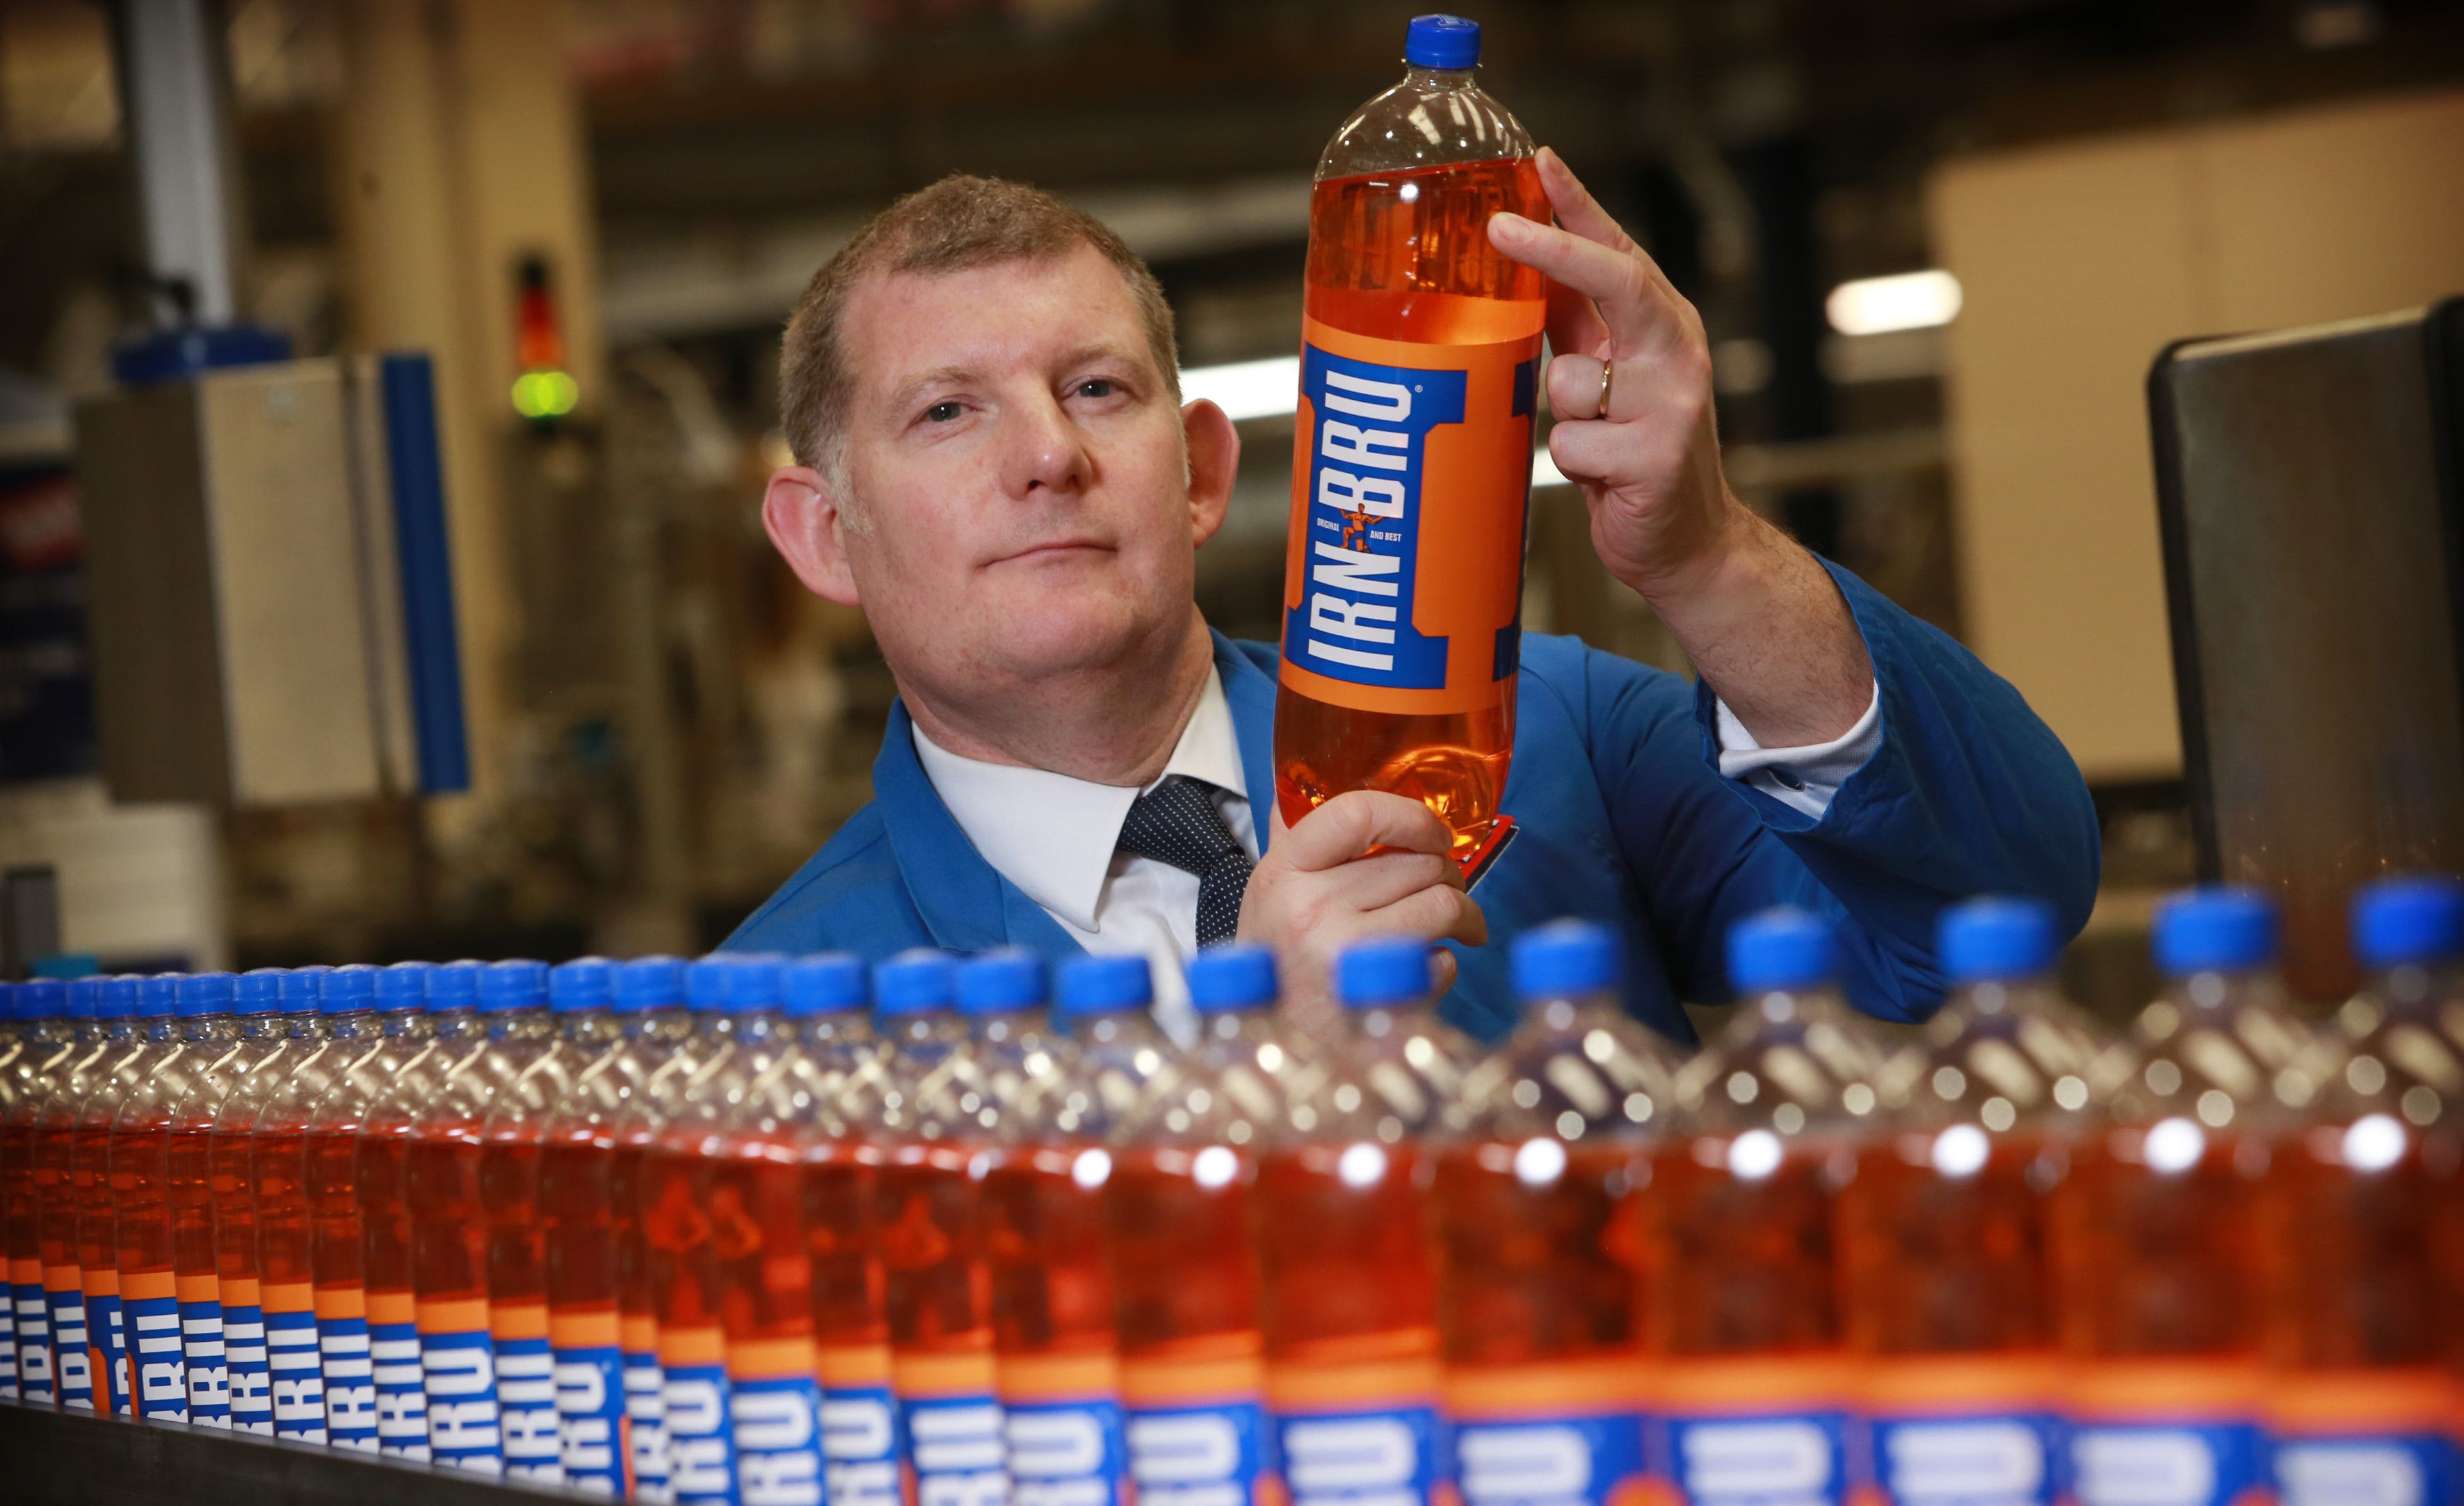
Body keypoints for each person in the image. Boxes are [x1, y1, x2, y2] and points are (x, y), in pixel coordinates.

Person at [726, 161, 2099, 1044]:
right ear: (823, 536)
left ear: (1201, 470)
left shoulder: (1540, 731)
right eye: (948, 411)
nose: (1049, 455)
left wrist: (1707, 555)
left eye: (1096, 388)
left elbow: (1990, 911)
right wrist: (1267, 1071)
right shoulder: (770, 1014)